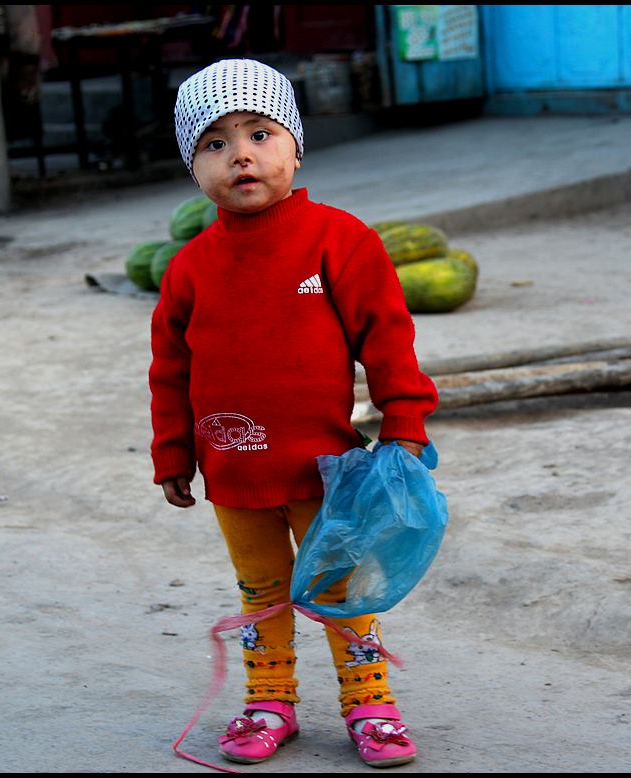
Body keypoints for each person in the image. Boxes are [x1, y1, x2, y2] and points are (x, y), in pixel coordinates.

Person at [149, 59, 438, 768]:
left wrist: (404, 423)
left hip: (326, 473)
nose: (240, 154)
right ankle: (268, 702)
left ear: (295, 146)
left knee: (338, 589)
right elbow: (170, 371)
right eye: (213, 143)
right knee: (262, 595)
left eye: (259, 132)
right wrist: (172, 454)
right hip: (233, 474)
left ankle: (370, 703)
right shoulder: (188, 267)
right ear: (193, 169)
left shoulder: (339, 240)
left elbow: (388, 337)